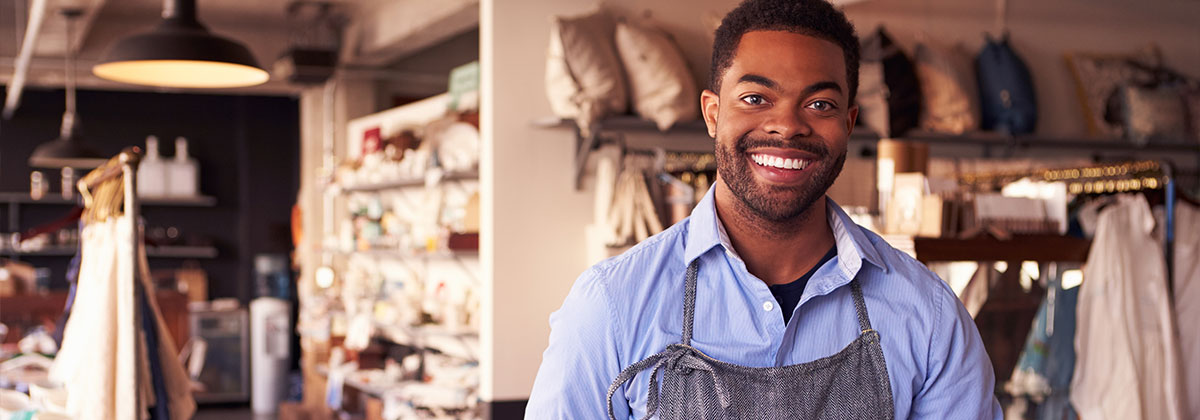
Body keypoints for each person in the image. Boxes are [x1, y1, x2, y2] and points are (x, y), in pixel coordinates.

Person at [527, 0, 1002, 418]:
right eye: (756, 99)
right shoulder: (612, 306)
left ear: (849, 122)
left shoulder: (929, 315)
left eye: (819, 103)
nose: (787, 126)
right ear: (713, 113)